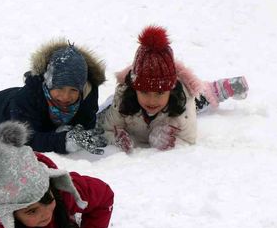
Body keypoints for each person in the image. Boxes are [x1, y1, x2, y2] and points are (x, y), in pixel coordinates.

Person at [97, 25, 249, 152]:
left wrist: (164, 140)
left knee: (200, 98)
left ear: (171, 88)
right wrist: (116, 139)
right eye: (144, 92)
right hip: (129, 101)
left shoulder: (183, 103)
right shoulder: (123, 98)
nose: (151, 100)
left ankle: (218, 88)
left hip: (178, 102)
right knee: (107, 108)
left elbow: (189, 139)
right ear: (134, 88)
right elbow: (106, 129)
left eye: (160, 93)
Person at [0, 40, 107, 155]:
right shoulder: (27, 99)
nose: (66, 97)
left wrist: (79, 130)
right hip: (0, 111)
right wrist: (64, 141)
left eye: (73, 90)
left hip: (23, 102)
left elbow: (87, 121)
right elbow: (25, 138)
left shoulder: (88, 92)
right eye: (59, 88)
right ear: (48, 83)